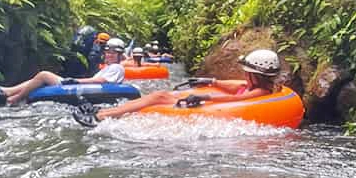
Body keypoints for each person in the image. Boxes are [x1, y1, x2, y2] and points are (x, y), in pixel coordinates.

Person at [74, 48, 281, 126]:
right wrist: (211, 82)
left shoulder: (261, 92)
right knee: (159, 94)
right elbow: (236, 87)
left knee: (157, 97)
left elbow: (235, 100)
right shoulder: (252, 85)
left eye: (248, 71)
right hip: (213, 104)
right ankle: (105, 112)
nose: (244, 74)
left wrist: (203, 98)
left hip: (217, 109)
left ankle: (101, 116)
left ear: (258, 75)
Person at [0, 37, 127, 106]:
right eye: (108, 52)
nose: (109, 55)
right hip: (83, 86)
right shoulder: (108, 68)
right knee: (41, 78)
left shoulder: (117, 67)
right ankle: (7, 91)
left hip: (83, 86)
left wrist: (76, 81)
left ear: (120, 55)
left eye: (113, 53)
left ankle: (12, 98)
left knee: (44, 75)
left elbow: (101, 81)